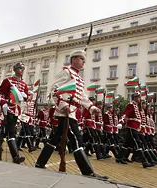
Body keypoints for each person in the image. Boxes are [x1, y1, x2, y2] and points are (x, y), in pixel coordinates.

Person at [35, 49, 108, 179]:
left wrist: (91, 107)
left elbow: (82, 96)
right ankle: (88, 172)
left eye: (84, 60)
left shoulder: (79, 78)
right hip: (66, 111)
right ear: (73, 59)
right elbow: (54, 90)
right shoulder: (66, 72)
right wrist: (63, 105)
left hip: (73, 112)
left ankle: (40, 163)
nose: (83, 63)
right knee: (76, 138)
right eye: (81, 59)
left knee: (55, 138)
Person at [0, 62, 28, 164]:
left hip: (16, 110)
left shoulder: (24, 84)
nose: (21, 71)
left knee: (4, 133)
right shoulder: (8, 81)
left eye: (23, 69)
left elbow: (26, 98)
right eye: (20, 68)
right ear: (15, 69)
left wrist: (25, 95)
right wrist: (3, 103)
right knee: (11, 132)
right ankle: (15, 156)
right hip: (7, 108)